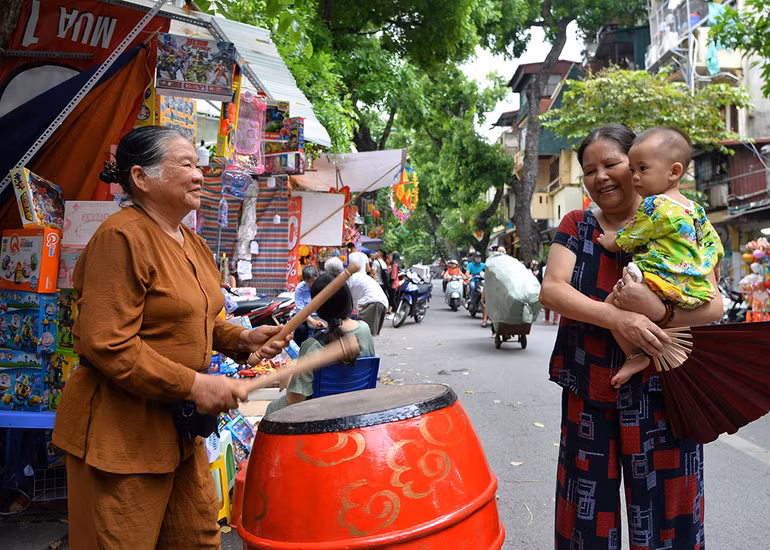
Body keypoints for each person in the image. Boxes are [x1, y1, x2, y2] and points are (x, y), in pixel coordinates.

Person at [52, 126, 291, 548]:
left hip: (177, 432)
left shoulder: (193, 243)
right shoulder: (121, 236)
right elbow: (106, 342)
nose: (199, 175)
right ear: (142, 178)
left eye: (198, 165)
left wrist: (244, 340)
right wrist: (195, 383)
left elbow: (198, 317)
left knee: (198, 539)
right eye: (186, 165)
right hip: (121, 433)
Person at [540, 124, 723, 550]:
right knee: (586, 516)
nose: (600, 176)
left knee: (668, 518)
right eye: (589, 170)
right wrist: (618, 319)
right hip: (590, 391)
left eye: (611, 164)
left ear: (641, 166)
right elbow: (553, 289)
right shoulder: (577, 224)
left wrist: (656, 311)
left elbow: (714, 306)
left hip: (667, 392)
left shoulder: (682, 219)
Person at [595, 127, 724, 388]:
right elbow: (710, 241)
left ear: (674, 171)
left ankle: (635, 354)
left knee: (612, 301)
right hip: (691, 286)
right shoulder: (694, 209)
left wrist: (611, 241)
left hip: (660, 280)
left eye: (642, 169)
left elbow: (633, 233)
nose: (635, 177)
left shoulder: (654, 205)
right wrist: (712, 263)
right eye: (632, 170)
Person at [264, 272, 375, 414]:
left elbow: (295, 400)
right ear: (348, 300)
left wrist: (290, 377)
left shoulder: (311, 346)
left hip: (319, 414)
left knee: (271, 409)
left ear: (318, 308)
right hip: (355, 408)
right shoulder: (365, 330)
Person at [346, 251, 389, 336]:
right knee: (365, 337)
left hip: (372, 304)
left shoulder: (353, 277)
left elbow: (342, 296)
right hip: (380, 303)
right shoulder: (363, 277)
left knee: (361, 336)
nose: (368, 267)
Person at [292, 265, 325, 346]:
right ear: (304, 280)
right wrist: (312, 321)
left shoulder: (323, 286)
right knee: (300, 329)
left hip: (321, 315)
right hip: (305, 317)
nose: (311, 284)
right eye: (308, 281)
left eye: (313, 280)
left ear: (317, 277)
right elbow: (301, 309)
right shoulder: (300, 288)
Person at [466, 251, 486, 327]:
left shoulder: (483, 265)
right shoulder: (470, 265)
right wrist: (470, 276)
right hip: (473, 280)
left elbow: (488, 271)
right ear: (474, 258)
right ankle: (472, 300)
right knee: (473, 287)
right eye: (476, 257)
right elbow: (467, 273)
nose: (478, 259)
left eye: (479, 257)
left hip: (482, 280)